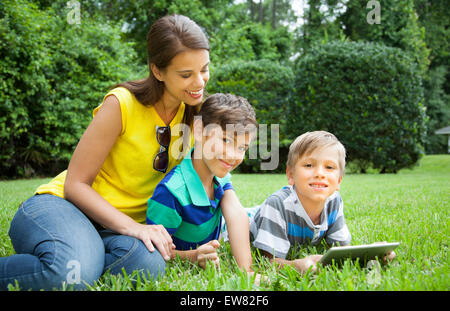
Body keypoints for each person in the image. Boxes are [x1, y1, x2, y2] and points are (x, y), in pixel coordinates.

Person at [0, 14, 238, 290]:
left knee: (148, 265)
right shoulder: (121, 104)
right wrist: (133, 228)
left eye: (204, 69)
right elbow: (75, 184)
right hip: (64, 207)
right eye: (186, 74)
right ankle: (71, 255)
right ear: (158, 71)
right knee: (69, 273)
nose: (199, 82)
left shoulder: (196, 114)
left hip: (112, 230)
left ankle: (81, 253)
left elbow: (216, 173)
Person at [248, 131, 395, 274]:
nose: (319, 173)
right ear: (291, 175)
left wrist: (369, 254)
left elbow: (342, 252)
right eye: (308, 165)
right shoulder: (276, 205)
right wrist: (296, 265)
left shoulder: (333, 201)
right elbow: (267, 262)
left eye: (329, 167)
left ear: (339, 181)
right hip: (247, 219)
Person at [146, 93, 258, 273]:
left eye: (242, 148)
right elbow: (155, 250)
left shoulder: (220, 175)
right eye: (226, 140)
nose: (233, 155)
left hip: (229, 227)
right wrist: (192, 256)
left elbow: (237, 216)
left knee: (260, 215)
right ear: (199, 129)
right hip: (209, 236)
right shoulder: (172, 193)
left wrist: (247, 272)